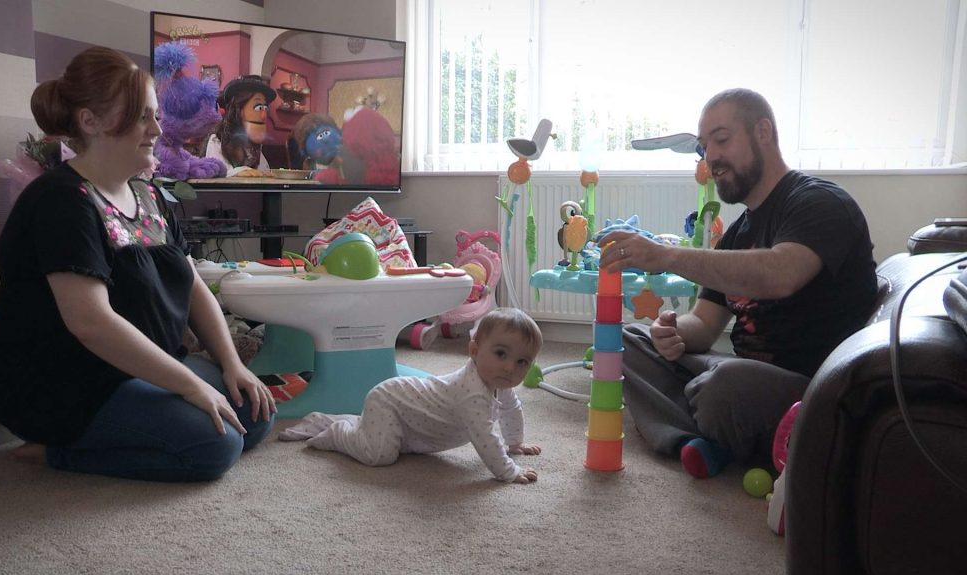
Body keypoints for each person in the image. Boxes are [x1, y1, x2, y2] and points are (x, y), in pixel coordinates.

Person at [0, 46, 276, 482]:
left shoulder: (148, 195)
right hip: (69, 384)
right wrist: (192, 385)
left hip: (139, 365)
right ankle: (55, 452)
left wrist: (232, 364)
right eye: (142, 116)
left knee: (255, 414)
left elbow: (193, 286)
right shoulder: (62, 201)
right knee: (215, 446)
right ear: (89, 121)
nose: (156, 128)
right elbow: (91, 323)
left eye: (154, 115)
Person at [598, 88, 877, 479]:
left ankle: (698, 420)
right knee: (630, 340)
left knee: (726, 385)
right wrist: (672, 330)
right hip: (739, 373)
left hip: (812, 390)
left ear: (763, 132)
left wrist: (666, 256)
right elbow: (704, 326)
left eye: (721, 139)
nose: (710, 156)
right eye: (704, 146)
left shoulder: (820, 202)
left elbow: (781, 274)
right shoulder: (737, 232)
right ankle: (696, 439)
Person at [278, 307, 544, 484]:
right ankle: (338, 431)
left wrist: (515, 443)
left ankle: (353, 423)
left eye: (522, 362)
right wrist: (510, 471)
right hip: (390, 401)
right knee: (379, 455)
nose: (510, 368)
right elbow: (486, 442)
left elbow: (511, 409)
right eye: (501, 354)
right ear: (474, 350)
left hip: (413, 422)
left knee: (393, 443)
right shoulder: (473, 396)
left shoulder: (500, 382)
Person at [205, 75, 276, 177]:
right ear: (239, 109)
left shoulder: (255, 148)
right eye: (259, 107)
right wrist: (238, 172)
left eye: (265, 108)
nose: (264, 115)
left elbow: (263, 172)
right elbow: (215, 173)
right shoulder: (217, 141)